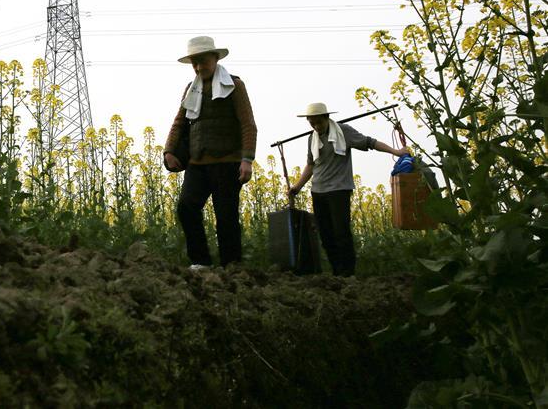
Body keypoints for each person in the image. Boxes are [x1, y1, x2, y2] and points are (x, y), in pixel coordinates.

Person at [164, 36, 258, 270]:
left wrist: (247, 159)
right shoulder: (191, 88)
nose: (198, 67)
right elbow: (179, 123)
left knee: (226, 217)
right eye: (194, 63)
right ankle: (200, 261)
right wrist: (169, 151)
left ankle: (231, 266)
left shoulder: (234, 85)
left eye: (202, 61)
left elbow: (248, 124)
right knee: (186, 207)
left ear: (215, 59)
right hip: (197, 163)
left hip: (228, 162)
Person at [287, 102, 409, 276]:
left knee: (341, 232)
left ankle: (348, 273)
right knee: (326, 234)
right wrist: (297, 186)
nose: (315, 126)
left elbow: (370, 142)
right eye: (311, 123)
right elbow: (311, 165)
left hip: (339, 189)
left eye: (318, 122)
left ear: (327, 118)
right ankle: (337, 272)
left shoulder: (343, 132)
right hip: (318, 191)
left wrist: (395, 152)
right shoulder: (312, 138)